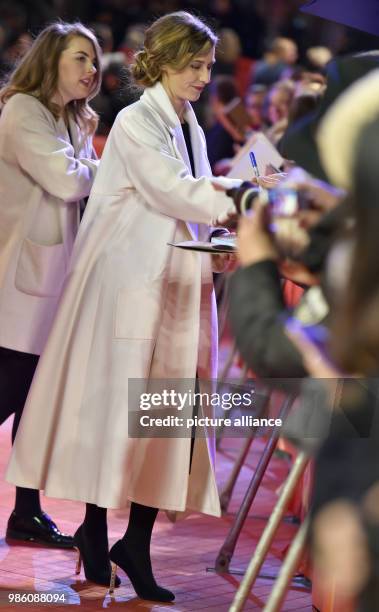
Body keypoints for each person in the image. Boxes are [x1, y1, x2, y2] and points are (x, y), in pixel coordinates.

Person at [6, 12, 241, 602]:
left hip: (168, 282)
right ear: (162, 63)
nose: (205, 77)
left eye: (209, 66)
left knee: (160, 420)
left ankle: (130, 540)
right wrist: (241, 195)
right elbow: (172, 190)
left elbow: (182, 199)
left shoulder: (184, 118)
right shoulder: (138, 120)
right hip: (126, 287)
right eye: (195, 65)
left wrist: (216, 242)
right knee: (116, 417)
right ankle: (96, 531)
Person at [0, 22, 101, 547]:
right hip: (20, 282)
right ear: (51, 61)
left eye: (93, 60)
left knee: (34, 402)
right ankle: (26, 510)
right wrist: (100, 168)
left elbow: (76, 174)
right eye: (80, 58)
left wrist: (87, 162)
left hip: (51, 281)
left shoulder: (69, 117)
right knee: (12, 392)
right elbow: (66, 182)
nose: (91, 69)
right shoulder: (22, 110)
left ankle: (27, 511)